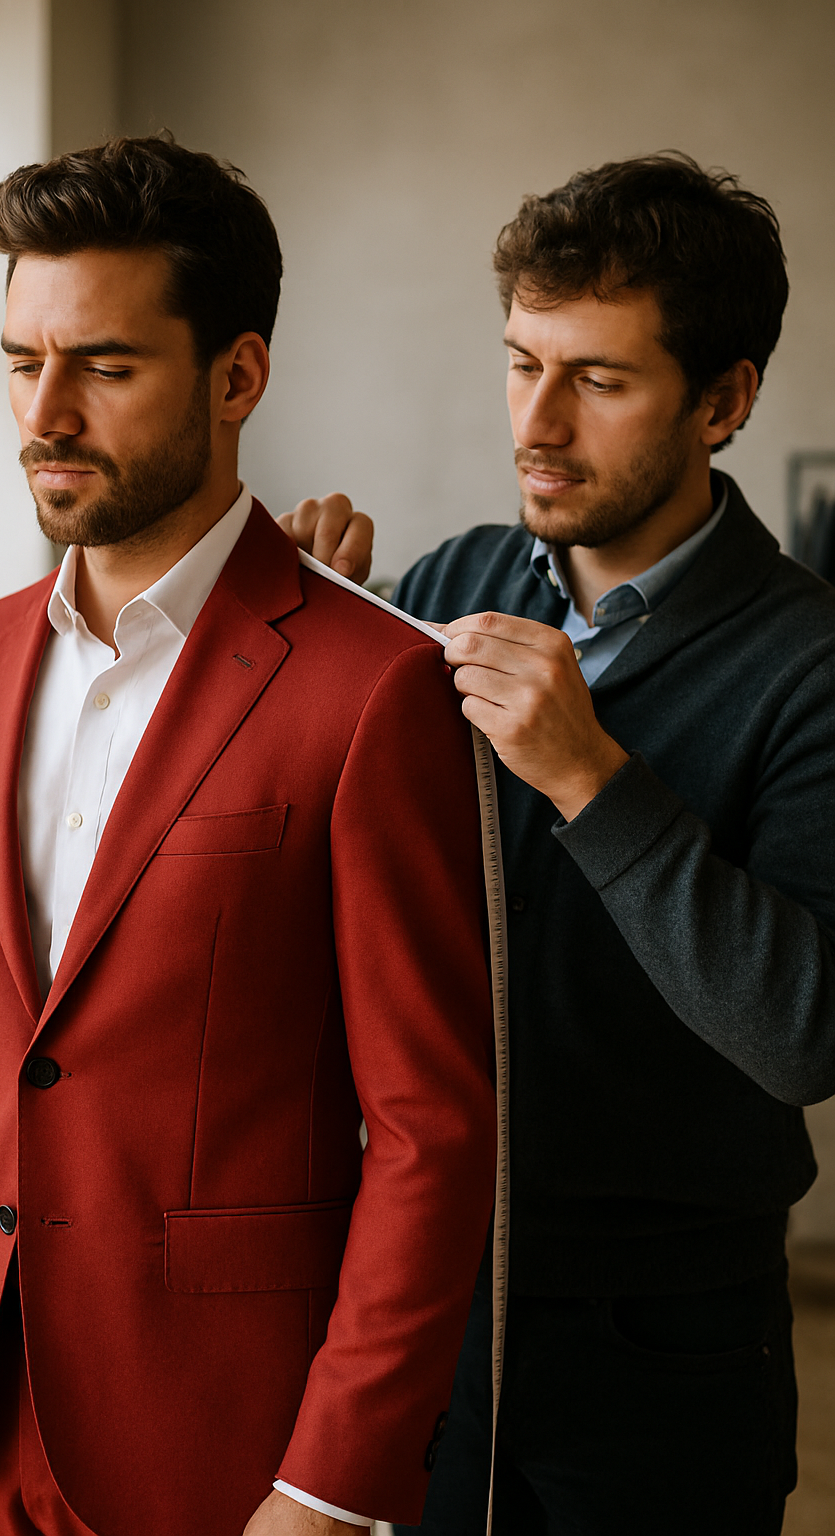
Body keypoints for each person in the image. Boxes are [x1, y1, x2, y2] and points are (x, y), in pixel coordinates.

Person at [0, 137, 499, 1536]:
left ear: (237, 376)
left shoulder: (372, 688)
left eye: (105, 368)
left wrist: (331, 1484)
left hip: (229, 1444)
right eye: (22, 361)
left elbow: (432, 1131)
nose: (45, 412)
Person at [283, 152, 835, 1536]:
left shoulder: (813, 666)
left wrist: (594, 777)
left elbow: (807, 1036)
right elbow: (334, 900)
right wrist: (297, 656)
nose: (536, 421)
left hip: (664, 1344)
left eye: (597, 380)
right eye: (522, 361)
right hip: (415, 1292)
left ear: (724, 399)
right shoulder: (449, 583)